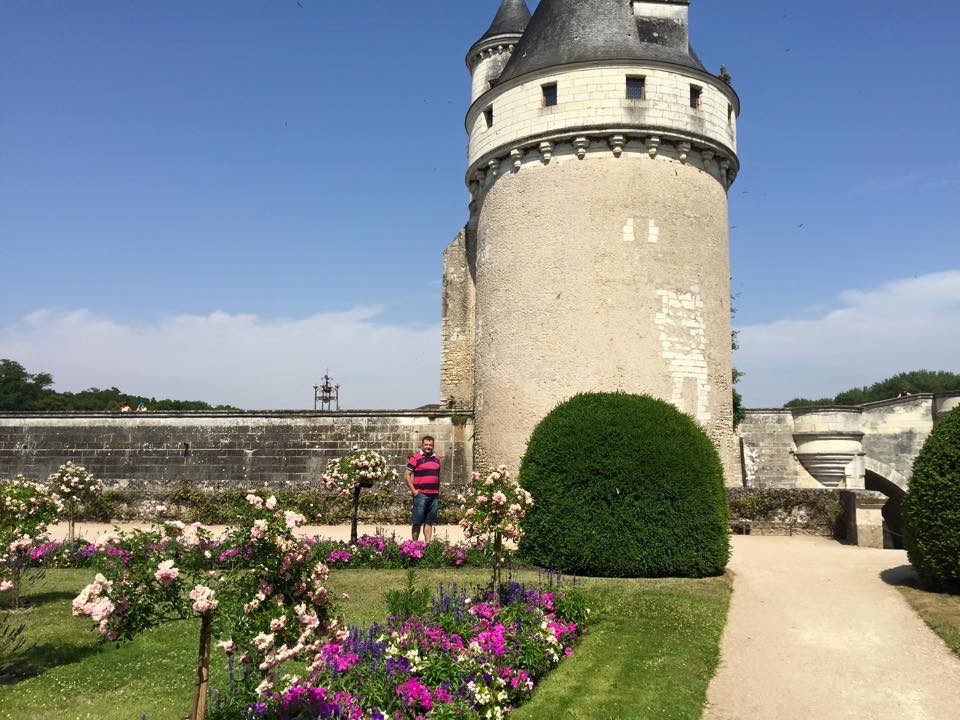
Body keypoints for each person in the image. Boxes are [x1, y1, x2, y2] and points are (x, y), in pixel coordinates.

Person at [405, 435, 441, 542]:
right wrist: (414, 491)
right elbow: (407, 475)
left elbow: (438, 476)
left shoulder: (437, 458)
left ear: (433, 446)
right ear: (422, 445)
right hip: (421, 494)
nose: (428, 447)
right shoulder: (415, 457)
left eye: (430, 445)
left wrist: (437, 490)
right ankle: (414, 545)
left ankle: (428, 546)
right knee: (417, 521)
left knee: (429, 521)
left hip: (433, 495)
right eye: (426, 444)